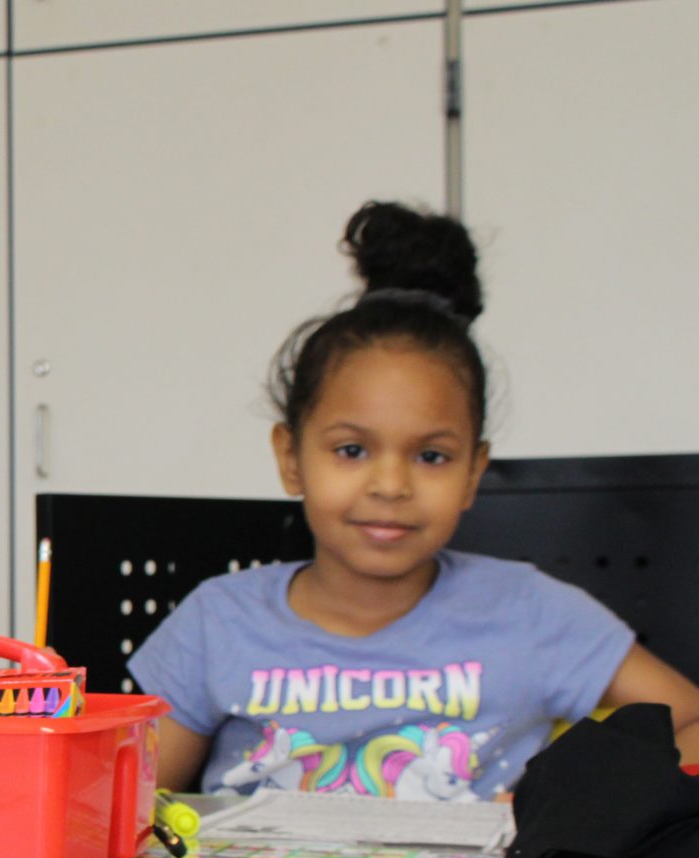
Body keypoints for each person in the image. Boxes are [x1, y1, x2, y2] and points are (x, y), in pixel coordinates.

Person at [130, 200, 699, 801]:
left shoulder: (534, 613)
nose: (391, 485)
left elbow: (690, 721)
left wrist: (568, 803)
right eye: (351, 450)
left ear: (474, 472)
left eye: (431, 456)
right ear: (291, 457)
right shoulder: (217, 622)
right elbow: (128, 805)